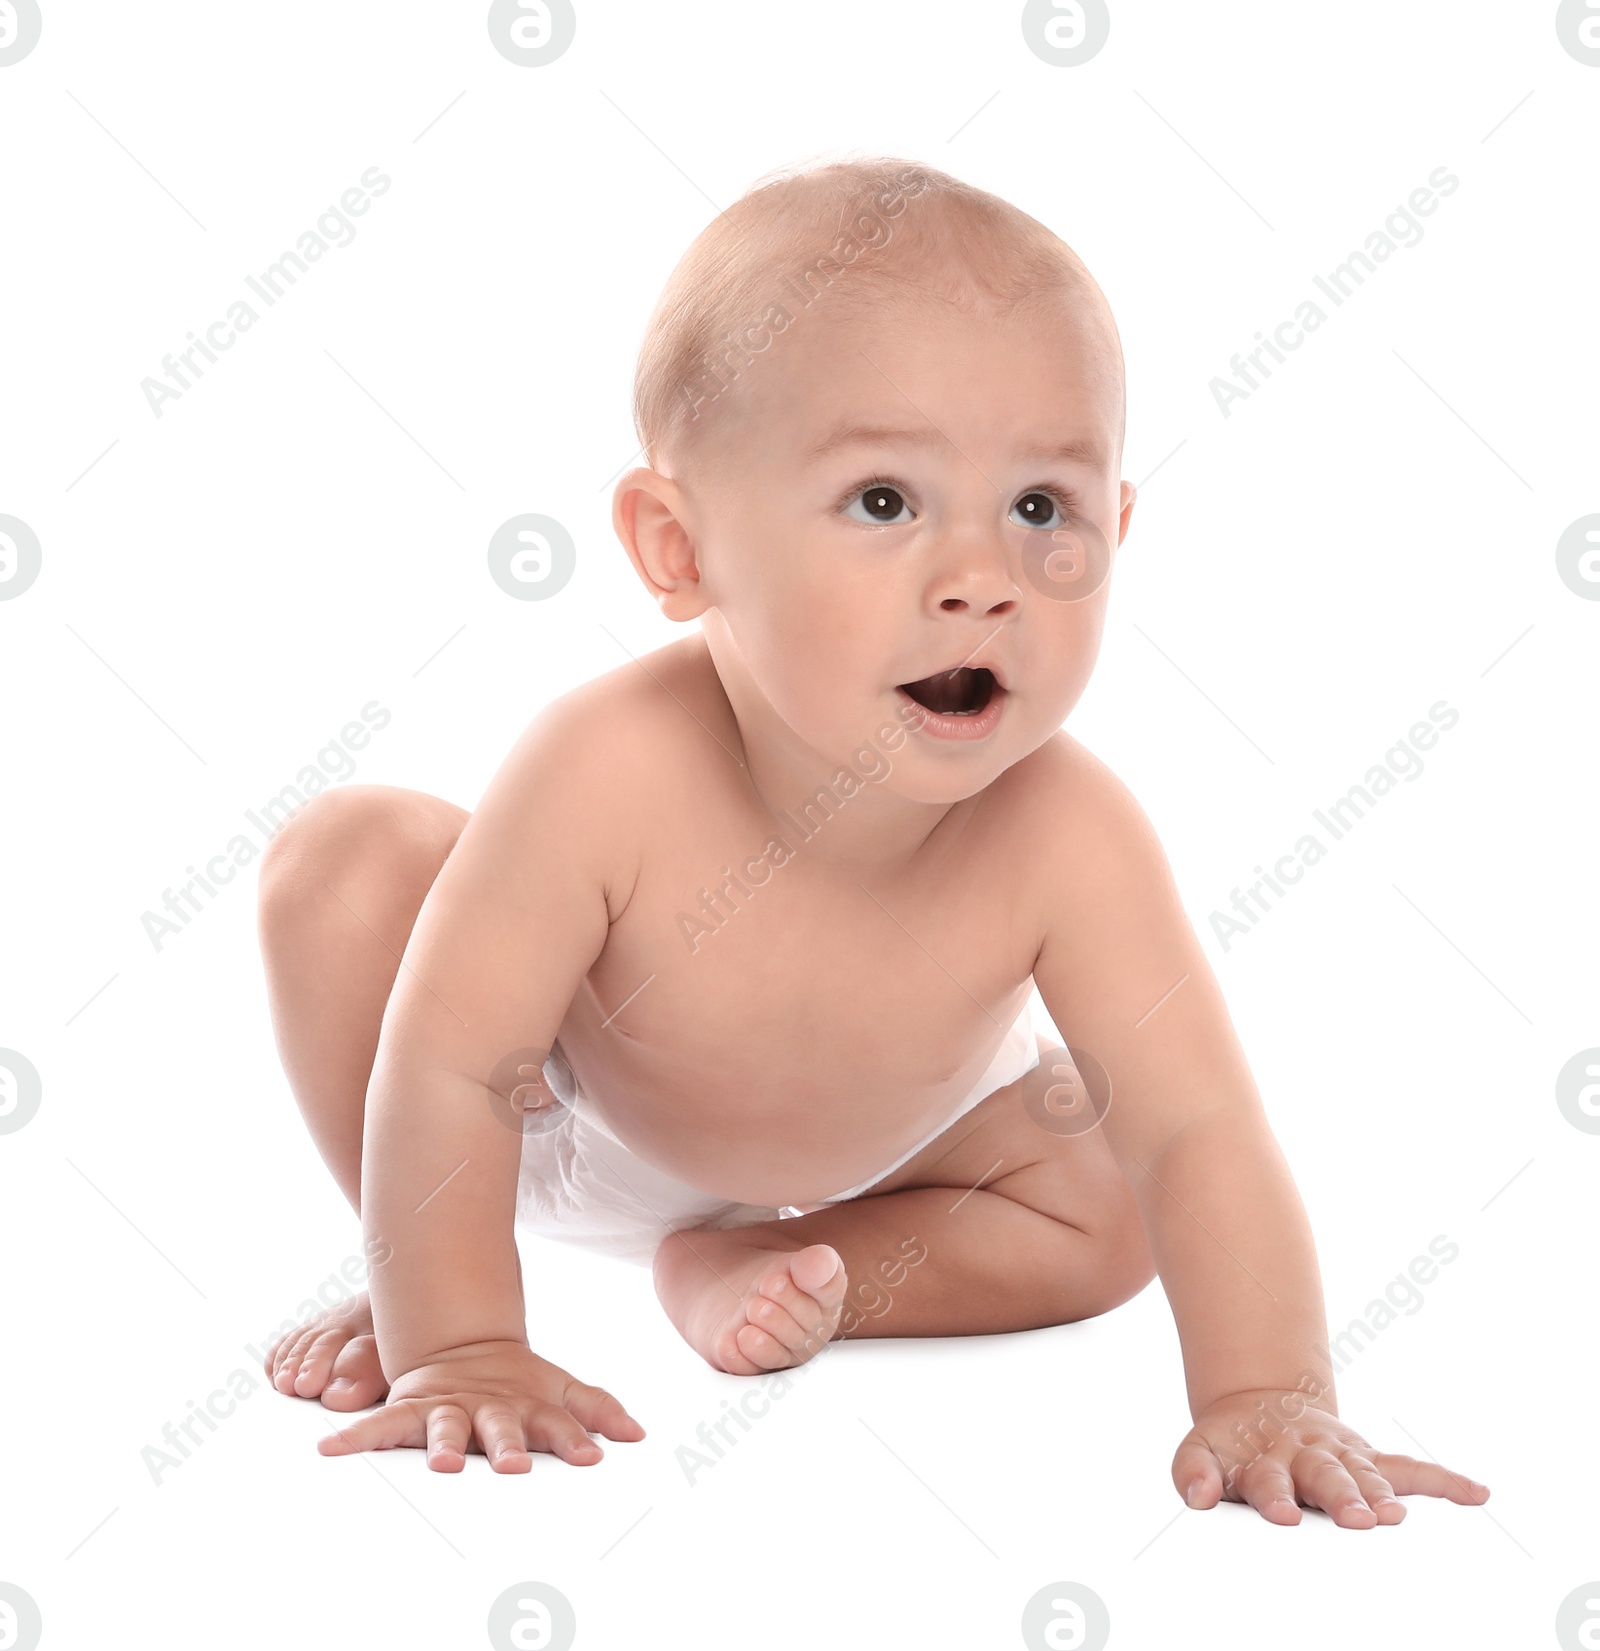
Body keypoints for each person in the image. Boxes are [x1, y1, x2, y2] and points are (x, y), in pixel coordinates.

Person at [257, 155, 1487, 1526]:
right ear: (680, 548)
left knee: (1114, 1203)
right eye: (885, 502)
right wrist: (460, 1340)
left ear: (1117, 531)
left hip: (892, 1161)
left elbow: (1198, 1128)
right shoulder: (606, 767)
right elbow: (449, 1067)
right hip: (570, 1127)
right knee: (345, 865)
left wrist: (1271, 1393)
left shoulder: (1068, 830)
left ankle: (772, 1272)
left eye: (1041, 509)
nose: (980, 582)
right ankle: (416, 1258)